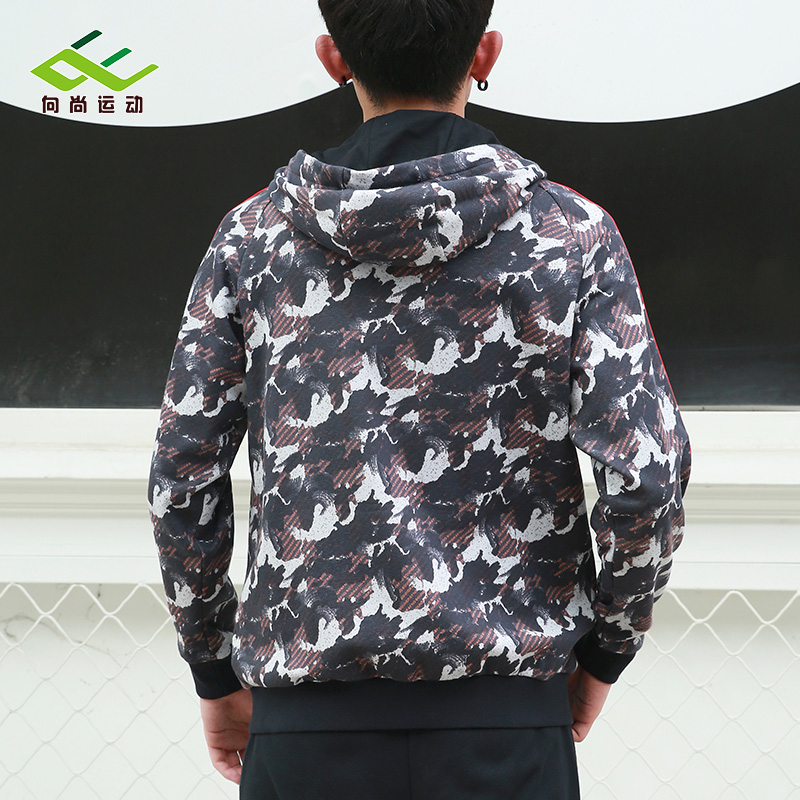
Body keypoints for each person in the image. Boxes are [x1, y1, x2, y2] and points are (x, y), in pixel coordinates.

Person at [148, 1, 691, 797]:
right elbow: (646, 477)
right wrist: (606, 649)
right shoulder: (571, 237)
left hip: (305, 738)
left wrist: (212, 666)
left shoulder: (253, 241)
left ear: (334, 59)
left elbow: (183, 477)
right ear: (486, 53)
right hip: (506, 732)